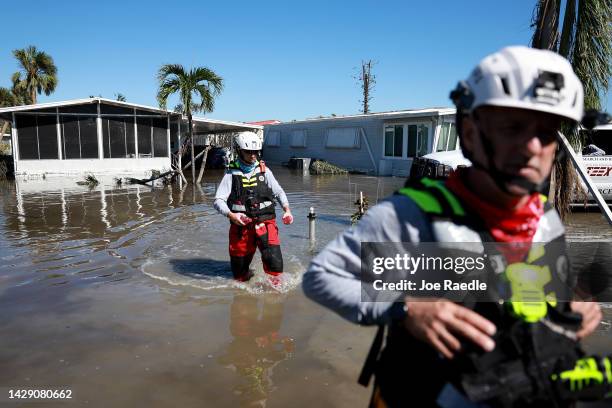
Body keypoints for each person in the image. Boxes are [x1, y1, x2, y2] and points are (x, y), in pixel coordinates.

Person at [303, 46, 605, 407]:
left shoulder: (544, 217)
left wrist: (570, 311)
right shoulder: (411, 217)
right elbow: (322, 276)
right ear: (471, 133)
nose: (531, 148)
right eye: (512, 128)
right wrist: (405, 308)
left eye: (546, 133)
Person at [214, 131, 294, 283]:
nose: (253, 156)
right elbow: (218, 201)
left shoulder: (265, 171)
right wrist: (232, 215)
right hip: (241, 226)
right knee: (238, 275)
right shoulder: (231, 173)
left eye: (256, 152)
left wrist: (287, 210)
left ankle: (274, 295)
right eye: (248, 152)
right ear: (239, 151)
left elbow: (279, 192)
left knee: (275, 265)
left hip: (265, 222)